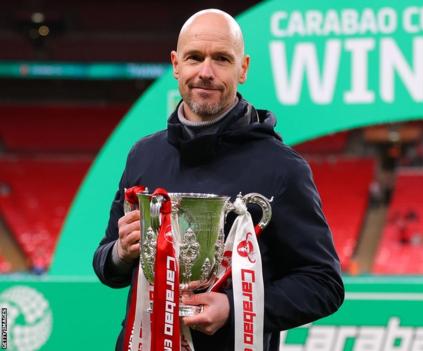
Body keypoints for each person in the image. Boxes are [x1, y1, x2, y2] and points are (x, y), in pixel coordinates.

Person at [92, 9, 344, 351]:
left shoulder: (283, 168)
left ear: (243, 69)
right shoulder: (143, 155)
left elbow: (324, 284)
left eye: (222, 59)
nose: (205, 72)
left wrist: (236, 308)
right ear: (176, 64)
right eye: (195, 57)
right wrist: (120, 252)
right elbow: (107, 266)